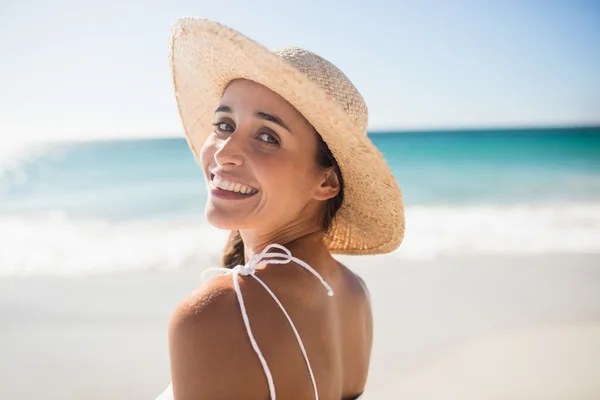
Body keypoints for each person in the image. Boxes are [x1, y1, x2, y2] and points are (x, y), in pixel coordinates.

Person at [157, 17, 405, 400]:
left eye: (267, 136)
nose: (224, 152)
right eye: (224, 124)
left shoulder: (214, 314)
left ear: (326, 182)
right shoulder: (354, 294)